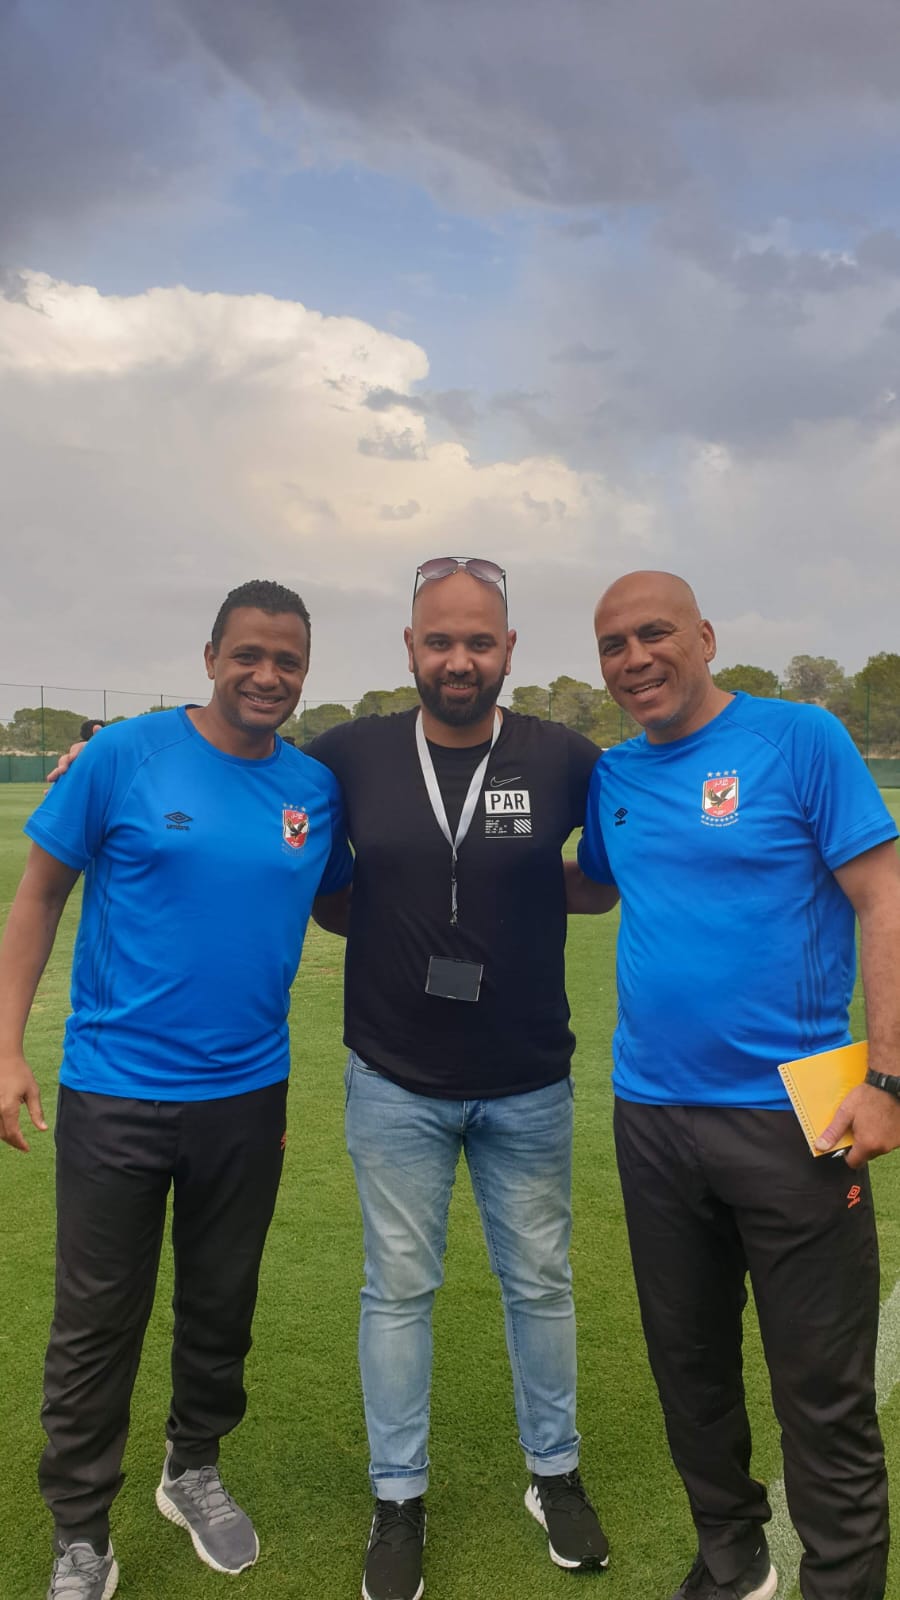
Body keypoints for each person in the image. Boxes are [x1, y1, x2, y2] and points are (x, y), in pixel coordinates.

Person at [0, 579, 353, 1600]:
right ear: (210, 657)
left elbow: (350, 900)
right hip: (115, 1091)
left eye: (287, 661)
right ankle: (80, 1530)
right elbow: (39, 897)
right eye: (249, 654)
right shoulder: (123, 755)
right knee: (96, 1318)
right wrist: (6, 1048)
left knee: (220, 1302)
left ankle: (191, 1467)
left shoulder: (313, 788)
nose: (267, 675)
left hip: (248, 1095)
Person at [574, 570, 900, 1600]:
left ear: (705, 636)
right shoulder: (615, 774)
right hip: (651, 1115)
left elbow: (883, 897)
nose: (635, 659)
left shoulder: (799, 740)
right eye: (614, 645)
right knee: (691, 1367)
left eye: (654, 633)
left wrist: (888, 1076)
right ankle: (733, 1559)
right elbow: (589, 882)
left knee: (822, 1386)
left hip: (797, 1112)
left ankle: (840, 1584)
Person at [309, 556, 616, 1600]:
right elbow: (248, 784)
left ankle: (554, 1473)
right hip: (395, 1078)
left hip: (527, 1076)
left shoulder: (563, 756)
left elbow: (609, 869)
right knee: (398, 1290)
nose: (458, 659)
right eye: (439, 640)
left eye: (479, 641)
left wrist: (528, 893)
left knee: (541, 1283)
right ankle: (398, 1497)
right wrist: (103, 752)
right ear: (410, 647)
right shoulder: (350, 753)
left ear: (509, 650)